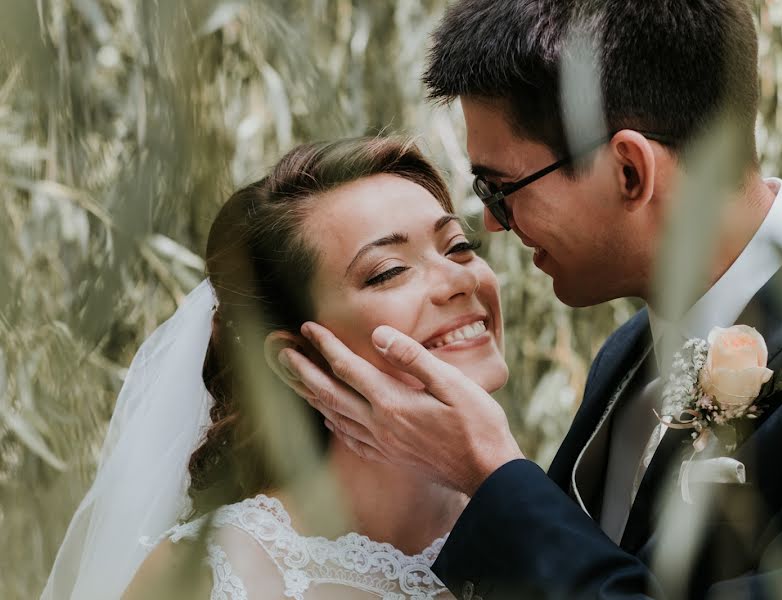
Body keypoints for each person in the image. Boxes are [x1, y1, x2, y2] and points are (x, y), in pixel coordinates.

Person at [276, 1, 782, 598]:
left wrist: (491, 474)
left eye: (500, 189)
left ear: (629, 170)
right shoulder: (626, 355)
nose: (493, 227)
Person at [43, 136, 509, 600]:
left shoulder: (548, 518)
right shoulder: (210, 575)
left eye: (458, 246)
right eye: (388, 270)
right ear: (298, 360)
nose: (460, 279)